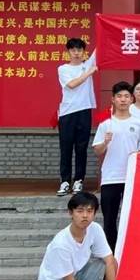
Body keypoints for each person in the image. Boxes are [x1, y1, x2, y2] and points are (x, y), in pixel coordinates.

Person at [34, 192, 118, 280]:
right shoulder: (61, 243)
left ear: (94, 213)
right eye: (80, 211)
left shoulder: (95, 229)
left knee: (112, 263)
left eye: (89, 211)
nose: (85, 215)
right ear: (70, 213)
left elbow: (109, 260)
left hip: (76, 277)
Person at [92, 81, 140, 251]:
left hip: (131, 178)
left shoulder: (138, 123)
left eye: (126, 96)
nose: (123, 100)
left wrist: (139, 153)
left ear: (131, 99)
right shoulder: (106, 124)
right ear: (113, 99)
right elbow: (97, 150)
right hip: (110, 177)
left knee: (131, 217)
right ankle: (111, 253)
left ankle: (129, 250)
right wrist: (105, 142)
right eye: (119, 96)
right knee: (110, 219)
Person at [56, 38, 97, 196]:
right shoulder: (63, 69)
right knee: (66, 148)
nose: (76, 53)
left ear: (83, 51)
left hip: (84, 111)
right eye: (73, 50)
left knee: (81, 148)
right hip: (67, 113)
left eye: (79, 50)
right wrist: (89, 72)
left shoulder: (88, 64)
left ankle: (79, 181)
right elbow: (72, 84)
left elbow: (99, 49)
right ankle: (65, 181)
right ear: (68, 52)